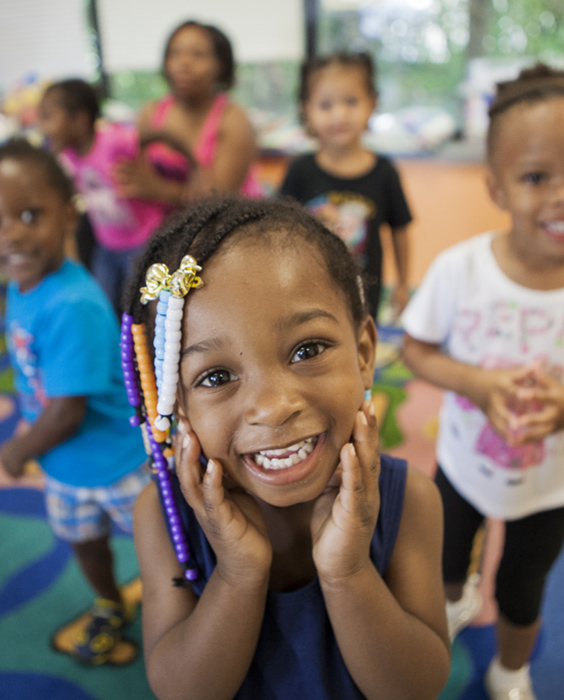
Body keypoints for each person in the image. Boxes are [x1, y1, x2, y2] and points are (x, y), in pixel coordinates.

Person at [122, 195, 450, 699]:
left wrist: (348, 570)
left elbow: (416, 687)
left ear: (365, 353)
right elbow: (182, 690)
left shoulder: (411, 501)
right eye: (215, 376)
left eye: (307, 350)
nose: (273, 407)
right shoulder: (163, 515)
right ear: (176, 407)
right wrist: (237, 573)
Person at [401, 64, 564, 700]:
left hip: (548, 488)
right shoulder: (460, 269)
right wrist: (474, 381)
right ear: (495, 188)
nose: (560, 195)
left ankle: (512, 670)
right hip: (463, 464)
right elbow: (414, 350)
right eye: (535, 177)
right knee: (441, 566)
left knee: (524, 594)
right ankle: (454, 602)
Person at [0, 139, 151, 665]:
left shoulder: (70, 302)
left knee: (164, 549)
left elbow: (68, 411)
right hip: (66, 469)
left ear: (68, 214)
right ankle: (110, 601)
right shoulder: (24, 288)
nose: (11, 233)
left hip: (118, 464)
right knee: (84, 543)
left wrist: (16, 452)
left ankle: (191, 601)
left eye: (28, 214)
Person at [279, 52, 412, 322]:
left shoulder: (384, 172)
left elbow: (400, 230)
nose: (339, 115)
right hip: (307, 290)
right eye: (326, 105)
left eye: (351, 101)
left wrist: (402, 284)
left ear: (372, 104)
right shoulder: (300, 171)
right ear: (306, 110)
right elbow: (279, 231)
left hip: (365, 293)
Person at [37, 78, 172, 314]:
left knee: (146, 307)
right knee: (104, 304)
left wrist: (188, 164)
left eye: (48, 117)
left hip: (142, 242)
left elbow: (157, 138)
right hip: (108, 245)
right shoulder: (69, 156)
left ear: (79, 120)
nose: (43, 127)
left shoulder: (114, 141)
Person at [113, 20, 263, 206]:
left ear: (220, 65)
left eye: (198, 55)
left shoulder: (234, 119)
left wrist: (159, 189)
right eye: (175, 53)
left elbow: (220, 201)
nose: (184, 63)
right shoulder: (150, 113)